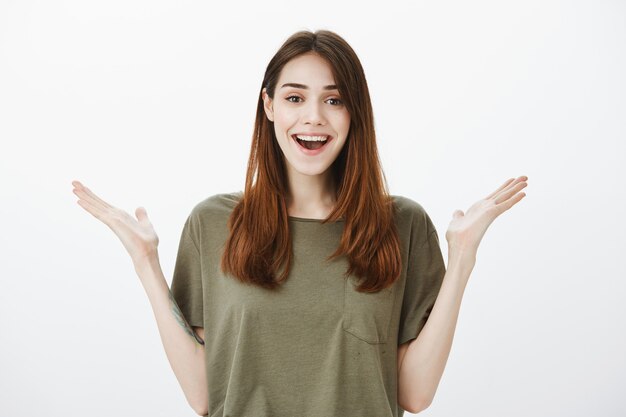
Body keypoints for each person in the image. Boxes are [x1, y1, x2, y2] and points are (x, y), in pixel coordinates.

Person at [71, 29, 528, 417]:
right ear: (269, 106)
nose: (314, 117)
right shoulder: (213, 223)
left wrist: (463, 258)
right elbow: (204, 394)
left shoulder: (401, 225)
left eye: (334, 99)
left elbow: (415, 394)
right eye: (295, 97)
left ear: (355, 114)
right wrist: (147, 263)